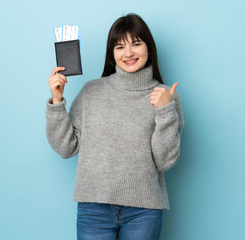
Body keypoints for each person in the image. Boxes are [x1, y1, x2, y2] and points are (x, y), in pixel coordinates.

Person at [46, 13, 184, 240]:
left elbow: (165, 161)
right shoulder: (92, 92)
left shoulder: (165, 96)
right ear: (112, 53)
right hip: (94, 210)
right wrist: (57, 103)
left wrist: (164, 111)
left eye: (136, 44)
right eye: (120, 47)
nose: (128, 53)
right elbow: (66, 148)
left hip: (144, 210)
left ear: (149, 48)